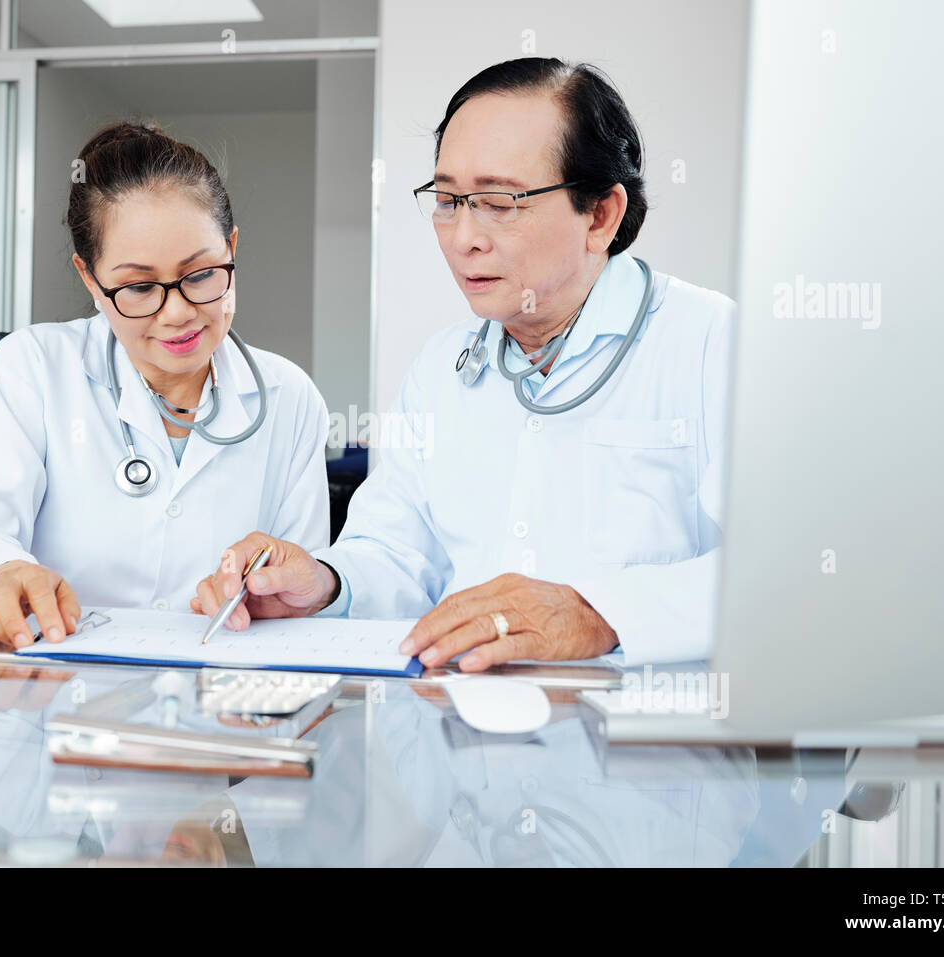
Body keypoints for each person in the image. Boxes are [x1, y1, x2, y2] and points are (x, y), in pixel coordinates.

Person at [191, 58, 733, 668]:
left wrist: (601, 610)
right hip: (464, 734)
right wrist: (323, 585)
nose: (461, 237)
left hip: (648, 751)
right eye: (448, 199)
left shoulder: (716, 345)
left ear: (601, 214)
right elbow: (397, 555)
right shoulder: (442, 365)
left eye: (500, 202)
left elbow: (789, 566)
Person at [0, 121, 329, 648]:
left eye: (202, 274)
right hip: (56, 689)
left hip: (215, 701)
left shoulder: (289, 398)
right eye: (140, 287)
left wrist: (273, 589)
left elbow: (296, 587)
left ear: (231, 247)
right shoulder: (32, 369)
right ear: (90, 279)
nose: (178, 312)